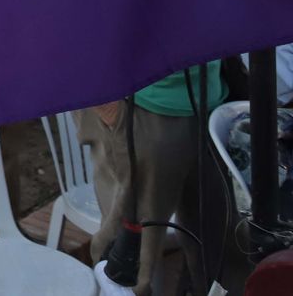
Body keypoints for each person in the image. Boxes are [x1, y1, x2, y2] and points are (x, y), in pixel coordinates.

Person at [78, 63, 248, 296]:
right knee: (131, 266)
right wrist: (110, 109)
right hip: (141, 107)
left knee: (226, 253)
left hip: (213, 95)